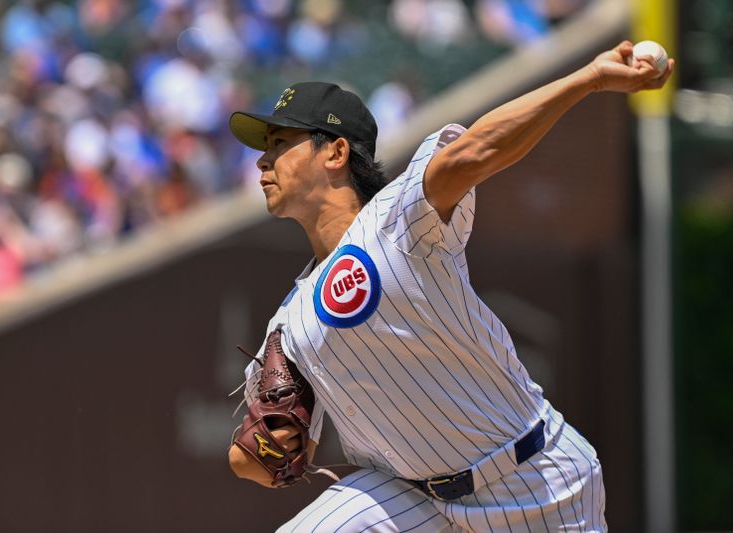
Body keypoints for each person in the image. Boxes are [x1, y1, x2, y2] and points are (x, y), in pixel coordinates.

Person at [227, 41, 673, 532]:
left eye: (278, 143)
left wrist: (587, 78)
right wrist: (266, 451)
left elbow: (478, 150)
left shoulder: (397, 220)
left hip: (533, 484)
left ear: (334, 151)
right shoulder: (289, 323)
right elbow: (253, 460)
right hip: (409, 497)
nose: (261, 161)